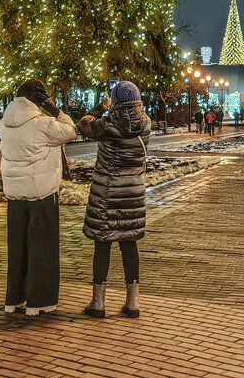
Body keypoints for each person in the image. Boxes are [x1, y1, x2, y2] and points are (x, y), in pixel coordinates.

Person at [1, 79, 77, 315]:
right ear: (39, 98)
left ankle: (14, 299)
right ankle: (39, 301)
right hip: (41, 193)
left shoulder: (6, 121)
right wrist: (56, 110)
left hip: (15, 194)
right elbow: (71, 131)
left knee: (18, 248)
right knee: (41, 248)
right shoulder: (42, 124)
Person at [78, 80, 151, 319]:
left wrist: (101, 108)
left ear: (116, 100)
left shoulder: (107, 124)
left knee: (103, 243)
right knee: (129, 243)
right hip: (132, 193)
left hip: (108, 196)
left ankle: (98, 301)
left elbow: (83, 126)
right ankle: (133, 301)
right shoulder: (146, 124)